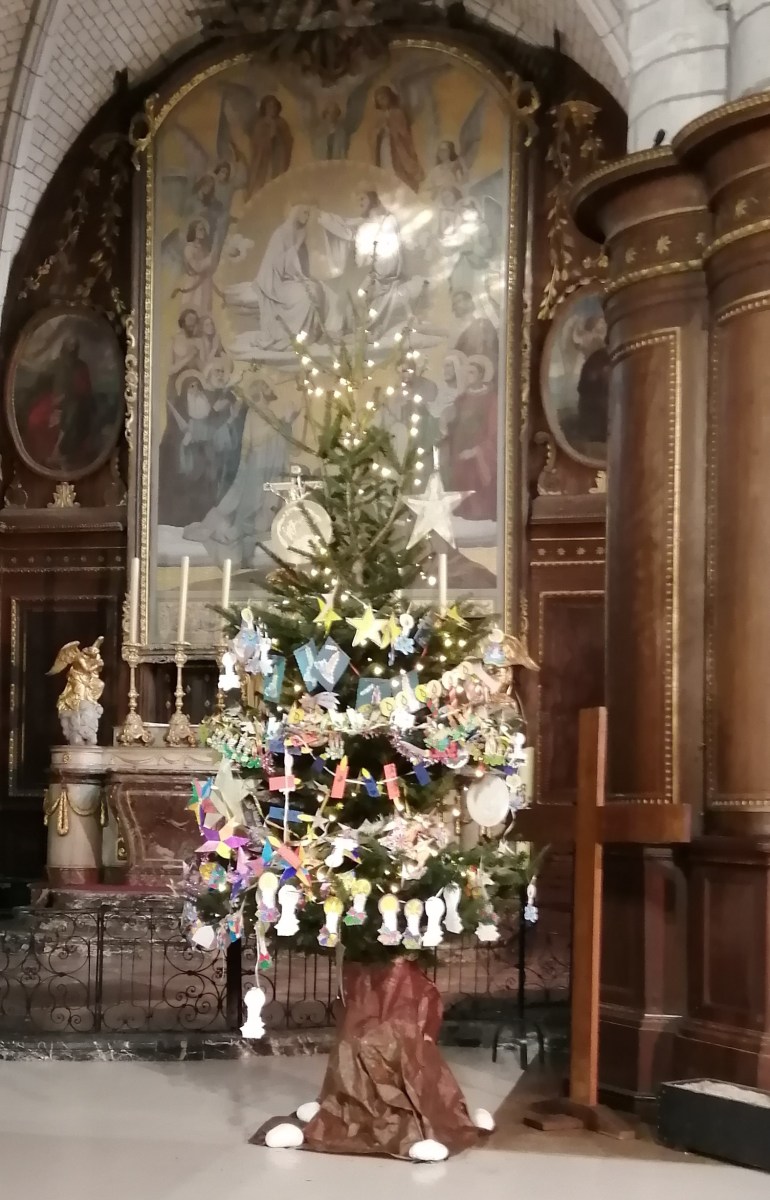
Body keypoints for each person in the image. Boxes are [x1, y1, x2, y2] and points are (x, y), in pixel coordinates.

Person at [184, 378, 300, 567]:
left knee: (265, 504)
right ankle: (239, 540)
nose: (270, 388)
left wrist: (287, 422)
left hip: (270, 466)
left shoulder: (267, 413)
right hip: (259, 465)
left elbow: (283, 441)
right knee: (253, 504)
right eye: (266, 386)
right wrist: (284, 422)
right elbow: (258, 438)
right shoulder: (255, 413)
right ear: (259, 392)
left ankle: (253, 534)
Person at [224, 205, 339, 353]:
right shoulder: (281, 234)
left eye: (309, 214)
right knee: (305, 296)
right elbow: (275, 266)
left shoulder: (301, 234)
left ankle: (311, 334)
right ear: (296, 212)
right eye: (304, 212)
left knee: (318, 289)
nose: (307, 217)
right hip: (276, 283)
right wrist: (295, 247)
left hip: (293, 280)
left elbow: (302, 266)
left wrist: (304, 276)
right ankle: (295, 336)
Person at [318, 191, 427, 340]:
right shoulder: (362, 224)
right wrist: (324, 218)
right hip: (366, 271)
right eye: (358, 200)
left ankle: (364, 329)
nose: (360, 202)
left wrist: (380, 269)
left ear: (372, 199)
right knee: (346, 293)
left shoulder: (387, 221)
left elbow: (391, 250)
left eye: (363, 198)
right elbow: (347, 231)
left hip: (381, 271)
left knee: (360, 293)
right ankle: (342, 329)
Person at [443, 354, 498, 521]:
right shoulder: (461, 399)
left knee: (477, 487)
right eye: (466, 373)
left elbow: (494, 430)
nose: (468, 376)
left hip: (479, 454)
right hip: (460, 453)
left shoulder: (492, 399)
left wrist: (477, 450)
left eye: (472, 372)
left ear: (481, 374)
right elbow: (453, 425)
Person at [371, 86, 424, 192]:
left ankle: (405, 190)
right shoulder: (380, 117)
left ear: (390, 97)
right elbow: (375, 135)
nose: (382, 101)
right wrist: (379, 132)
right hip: (385, 146)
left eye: (383, 98)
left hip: (398, 147)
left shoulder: (397, 112)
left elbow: (403, 132)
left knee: (400, 169)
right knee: (386, 167)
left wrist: (390, 127)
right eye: (379, 99)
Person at [246, 95, 293, 198]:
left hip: (278, 159)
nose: (273, 109)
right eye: (270, 106)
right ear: (265, 108)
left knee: (277, 184)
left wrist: (277, 135)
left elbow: (288, 141)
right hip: (263, 160)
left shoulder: (282, 123)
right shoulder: (260, 124)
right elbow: (256, 143)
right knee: (261, 186)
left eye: (274, 106)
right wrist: (269, 138)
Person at [172, 219, 217, 316]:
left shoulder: (204, 248)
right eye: (200, 229)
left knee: (205, 312)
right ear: (194, 231)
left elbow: (210, 267)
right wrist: (209, 259)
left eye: (204, 229)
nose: (203, 232)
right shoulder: (189, 248)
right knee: (193, 311)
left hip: (205, 284)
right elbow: (197, 267)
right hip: (194, 285)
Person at [451, 290, 499, 368]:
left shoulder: (485, 325)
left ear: (469, 302)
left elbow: (492, 353)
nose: (454, 307)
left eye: (458, 301)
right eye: (454, 304)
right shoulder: (457, 332)